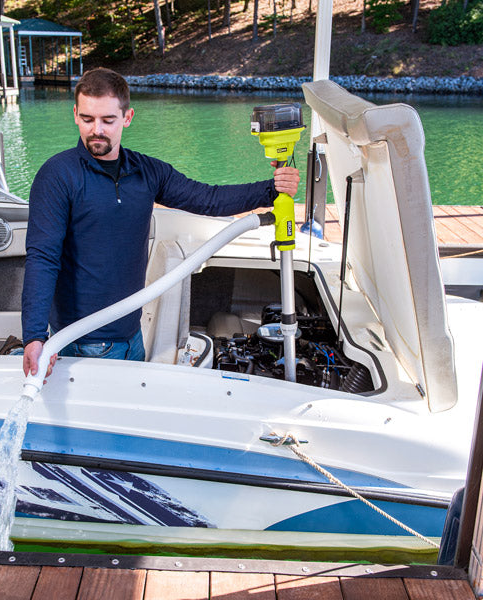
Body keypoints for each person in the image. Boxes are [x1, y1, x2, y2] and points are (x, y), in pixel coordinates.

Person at [22, 67, 300, 379]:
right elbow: (42, 258)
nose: (96, 130)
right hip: (82, 344)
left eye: (108, 120)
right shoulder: (57, 176)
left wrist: (271, 189)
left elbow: (208, 199)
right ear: (75, 114)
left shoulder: (147, 171)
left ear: (127, 117)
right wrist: (34, 336)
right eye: (87, 119)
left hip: (132, 337)